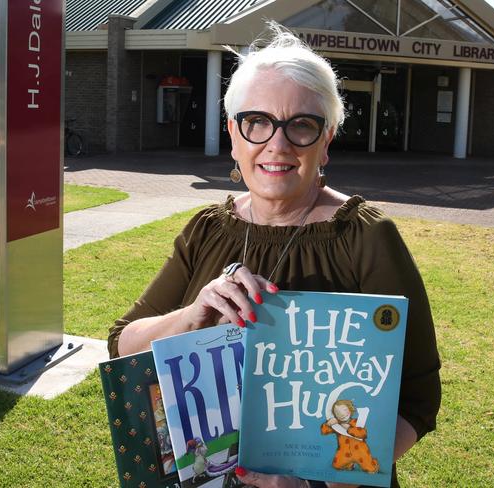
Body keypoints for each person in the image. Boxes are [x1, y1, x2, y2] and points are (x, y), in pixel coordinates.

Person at [108, 23, 441, 488]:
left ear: (326, 139)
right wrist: (192, 314)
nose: (277, 144)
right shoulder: (207, 230)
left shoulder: (366, 237)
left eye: (301, 125)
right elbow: (123, 345)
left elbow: (418, 400)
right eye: (257, 121)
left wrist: (314, 482)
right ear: (233, 134)